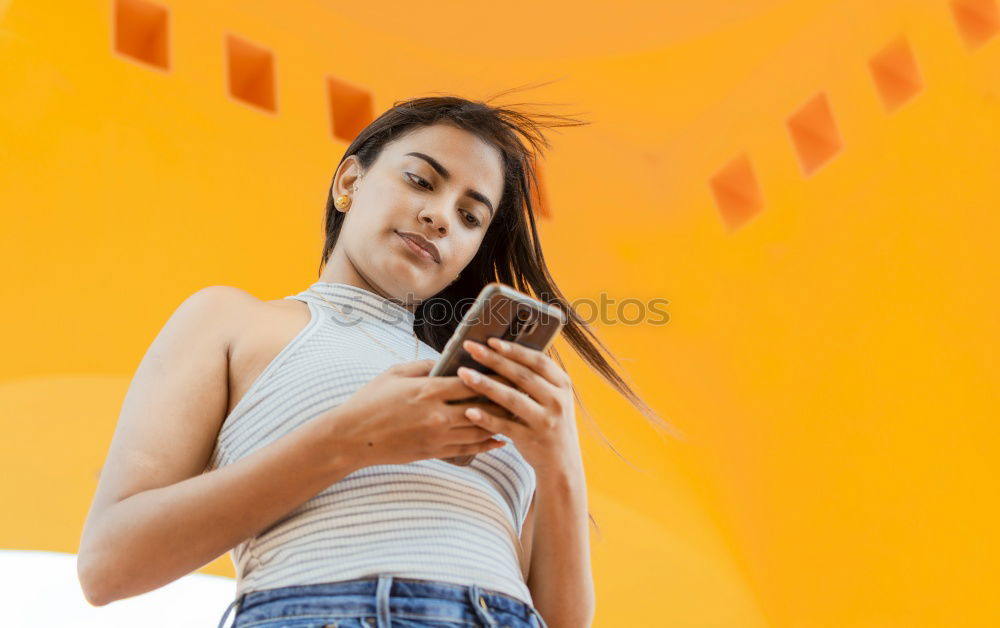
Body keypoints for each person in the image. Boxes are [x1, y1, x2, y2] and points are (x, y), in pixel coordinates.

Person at [76, 90, 679, 628]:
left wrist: (560, 461)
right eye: (421, 181)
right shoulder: (234, 320)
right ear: (348, 184)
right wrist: (349, 440)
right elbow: (109, 565)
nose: (440, 216)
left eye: (471, 217)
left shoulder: (483, 384)